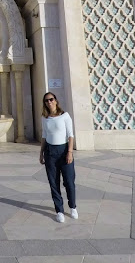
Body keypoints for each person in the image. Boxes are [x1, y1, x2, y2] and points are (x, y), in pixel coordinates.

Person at [39, 91, 77, 223]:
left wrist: (70, 152)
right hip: (50, 152)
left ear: (56, 100)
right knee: (53, 183)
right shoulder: (44, 118)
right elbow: (44, 135)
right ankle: (59, 210)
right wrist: (41, 153)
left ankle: (72, 207)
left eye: (51, 99)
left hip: (64, 151)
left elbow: (70, 135)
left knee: (69, 181)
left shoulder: (65, 116)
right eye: (46, 100)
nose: (49, 102)